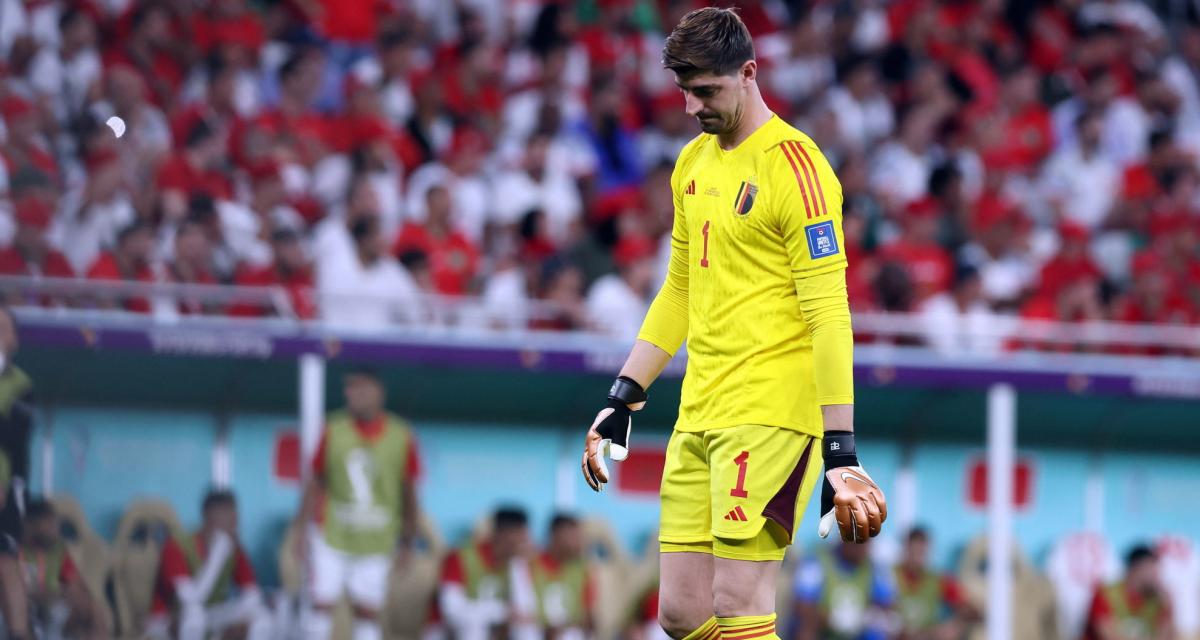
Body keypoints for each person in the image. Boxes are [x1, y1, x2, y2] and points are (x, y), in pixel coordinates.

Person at [580, 9, 887, 640]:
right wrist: (623, 394)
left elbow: (830, 312)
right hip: (700, 409)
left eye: (707, 91)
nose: (693, 107)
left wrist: (840, 447)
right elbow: (680, 289)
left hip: (772, 413)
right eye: (685, 92)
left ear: (748, 73)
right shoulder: (692, 164)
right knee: (682, 613)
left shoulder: (797, 170)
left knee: (740, 602)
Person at [293, 368, 421, 640]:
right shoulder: (334, 427)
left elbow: (409, 490)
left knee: (368, 612)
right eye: (349, 388)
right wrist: (300, 530)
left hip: (377, 537)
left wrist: (408, 542)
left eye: (361, 388)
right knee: (320, 607)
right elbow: (315, 481)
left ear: (379, 392)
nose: (353, 394)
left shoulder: (401, 434)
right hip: (332, 533)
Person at [147, 490, 271, 640]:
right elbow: (191, 600)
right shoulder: (176, 546)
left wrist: (241, 613)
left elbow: (252, 595)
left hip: (209, 614)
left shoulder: (232, 547)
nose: (234, 520)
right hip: (169, 619)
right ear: (208, 516)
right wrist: (217, 555)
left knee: (261, 616)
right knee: (194, 617)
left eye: (234, 512)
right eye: (226, 513)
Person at [436, 507, 540, 640]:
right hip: (451, 631)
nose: (527, 541)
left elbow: (524, 610)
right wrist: (500, 612)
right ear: (505, 534)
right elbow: (451, 612)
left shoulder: (515, 563)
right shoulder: (459, 557)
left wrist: (518, 566)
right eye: (523, 535)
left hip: (496, 630)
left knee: (526, 627)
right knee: (473, 625)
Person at [20, 500, 104, 640]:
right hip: (26, 609)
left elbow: (77, 585)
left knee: (94, 610)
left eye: (56, 524)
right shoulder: (15, 550)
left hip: (56, 607)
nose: (56, 529)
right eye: (51, 524)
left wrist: (74, 594)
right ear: (32, 525)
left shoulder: (58, 550)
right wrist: (51, 594)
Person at [0, 306, 32, 640]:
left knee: (6, 559)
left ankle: (19, 633)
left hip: (9, 486)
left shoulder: (22, 384)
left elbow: (12, 435)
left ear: (14, 340)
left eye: (3, 327)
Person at [792, 540, 896, 640]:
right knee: (806, 628)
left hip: (859, 633)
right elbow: (802, 606)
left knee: (879, 632)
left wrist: (869, 617)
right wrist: (833, 619)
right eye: (859, 542)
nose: (863, 548)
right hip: (824, 632)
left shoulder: (874, 569)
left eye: (866, 543)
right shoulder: (817, 562)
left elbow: (887, 606)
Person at [892, 527, 972, 640]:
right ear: (905, 549)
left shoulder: (938, 579)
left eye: (921, 552)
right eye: (913, 551)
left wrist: (953, 626)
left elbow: (967, 609)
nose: (917, 558)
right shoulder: (888, 575)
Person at [1082, 544, 1176, 640]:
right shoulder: (1106, 593)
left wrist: (1170, 607)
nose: (1157, 576)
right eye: (1152, 569)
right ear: (1138, 568)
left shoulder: (1156, 601)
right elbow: (1107, 636)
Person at [534, 514, 595, 640]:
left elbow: (588, 617)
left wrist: (567, 627)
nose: (580, 542)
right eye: (574, 536)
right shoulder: (530, 566)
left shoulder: (583, 570)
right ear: (556, 535)